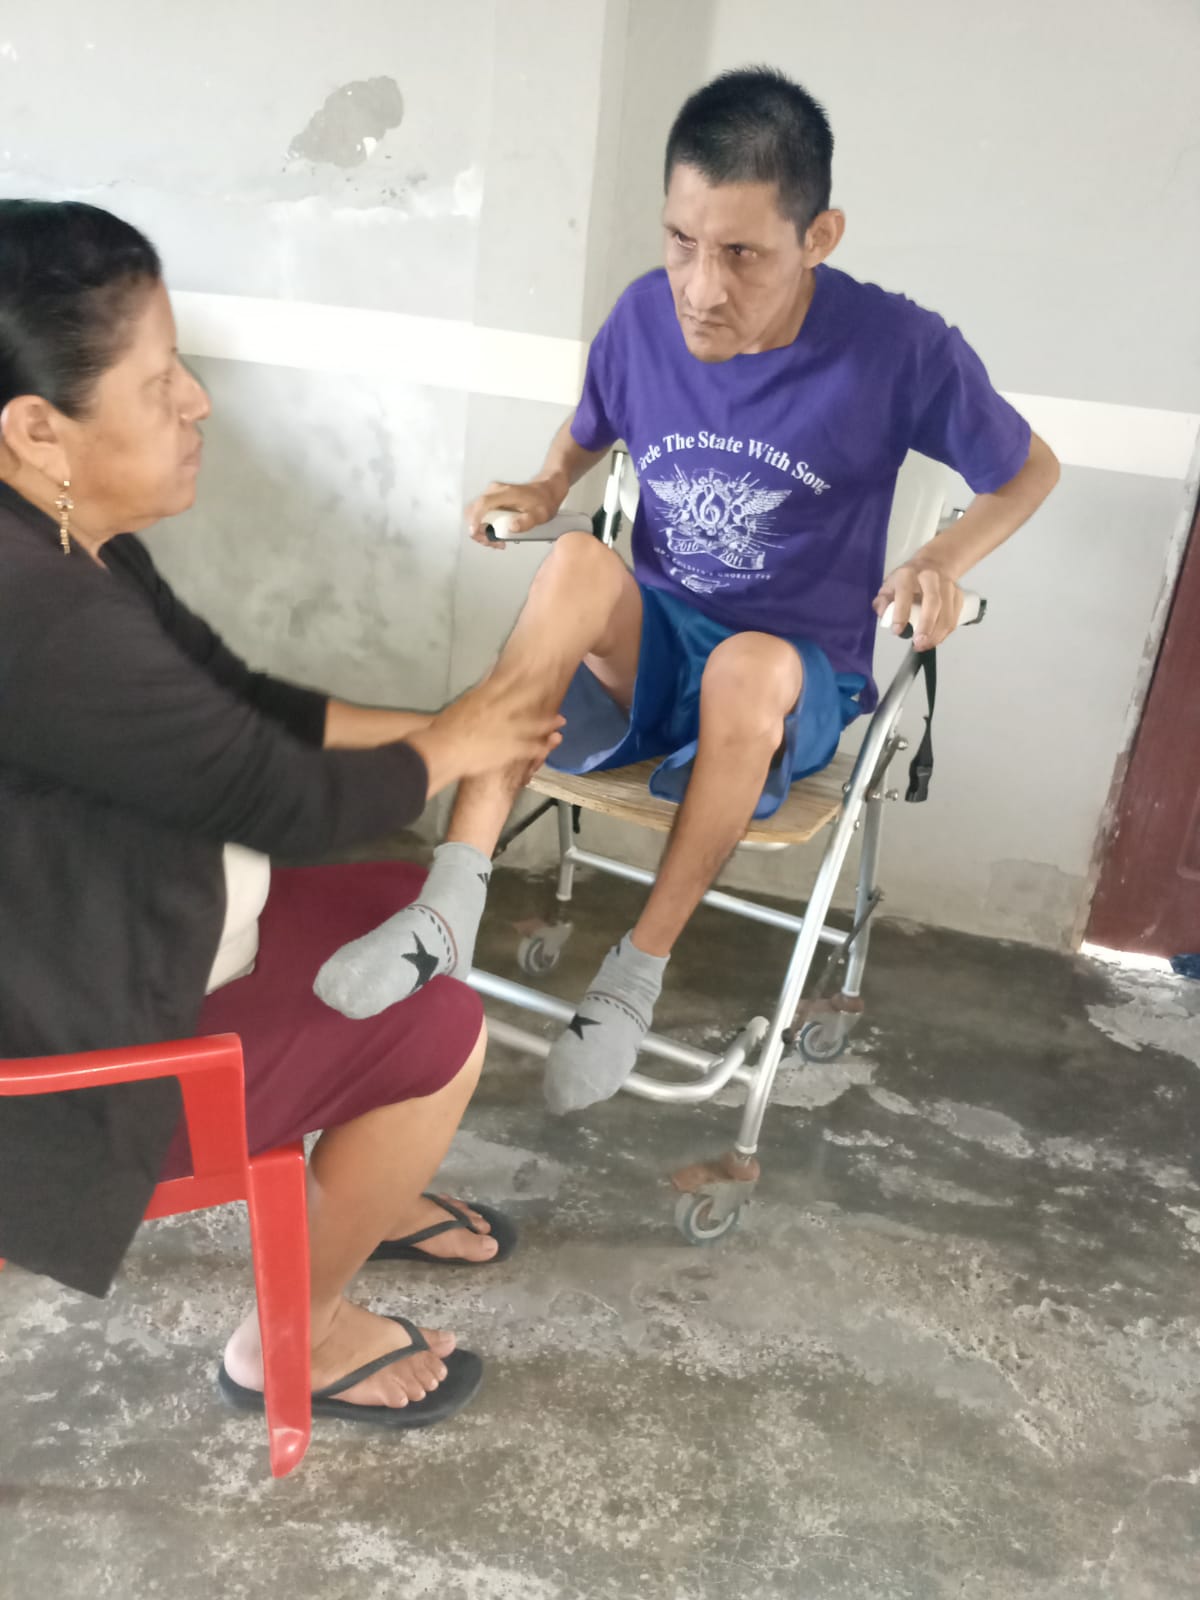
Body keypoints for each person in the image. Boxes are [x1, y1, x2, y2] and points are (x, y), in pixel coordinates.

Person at [315, 67, 1061, 1114]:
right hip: (657, 650)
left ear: (820, 236)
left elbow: (1029, 469)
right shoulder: (641, 318)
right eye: (681, 240)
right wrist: (546, 487)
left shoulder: (898, 349)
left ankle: (634, 974)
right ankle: (448, 904)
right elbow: (585, 433)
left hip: (788, 683)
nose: (702, 287)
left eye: (743, 253)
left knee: (747, 665)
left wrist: (941, 559)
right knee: (577, 563)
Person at [0, 200, 563, 1433]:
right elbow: (285, 798)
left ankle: (367, 1184)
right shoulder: (38, 614)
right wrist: (459, 743)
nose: (198, 402)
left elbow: (240, 701)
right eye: (160, 381)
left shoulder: (68, 545)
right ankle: (292, 1337)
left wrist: (454, 723)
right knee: (438, 1021)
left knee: (406, 910)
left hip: (106, 941)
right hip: (62, 1073)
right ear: (38, 428)